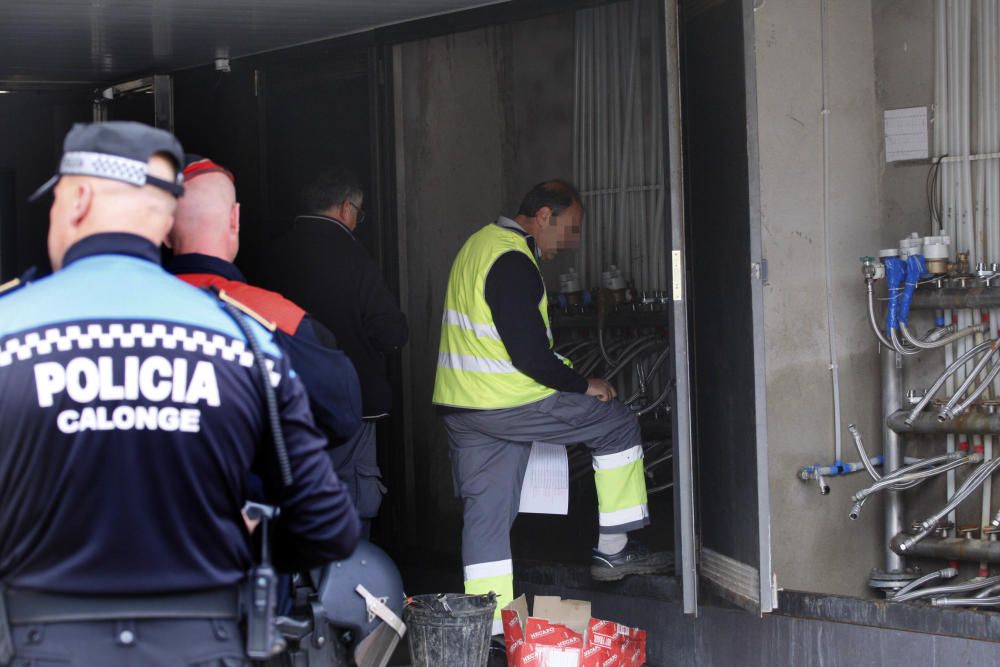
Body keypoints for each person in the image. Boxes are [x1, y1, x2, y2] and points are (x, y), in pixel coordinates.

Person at [0, 122, 360, 666]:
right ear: (164, 220)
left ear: (75, 201)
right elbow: (329, 524)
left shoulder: (9, 330)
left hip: (42, 646)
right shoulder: (245, 340)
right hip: (203, 644)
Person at [432, 180, 670, 633]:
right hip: (509, 399)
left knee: (486, 517)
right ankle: (615, 548)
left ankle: (493, 629)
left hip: (462, 407)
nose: (571, 242)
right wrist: (583, 385)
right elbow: (528, 354)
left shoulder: (475, 246)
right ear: (543, 216)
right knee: (616, 422)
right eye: (570, 228)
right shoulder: (513, 260)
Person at [166, 155, 363, 449]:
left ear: (165, 231)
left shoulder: (109, 320)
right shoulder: (279, 321)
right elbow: (343, 413)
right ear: (235, 219)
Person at [268, 168, 408, 537]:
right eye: (358, 214)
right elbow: (390, 329)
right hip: (351, 400)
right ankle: (345, 585)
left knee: (295, 496)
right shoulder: (355, 258)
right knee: (352, 498)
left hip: (284, 400)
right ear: (346, 207)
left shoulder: (272, 254)